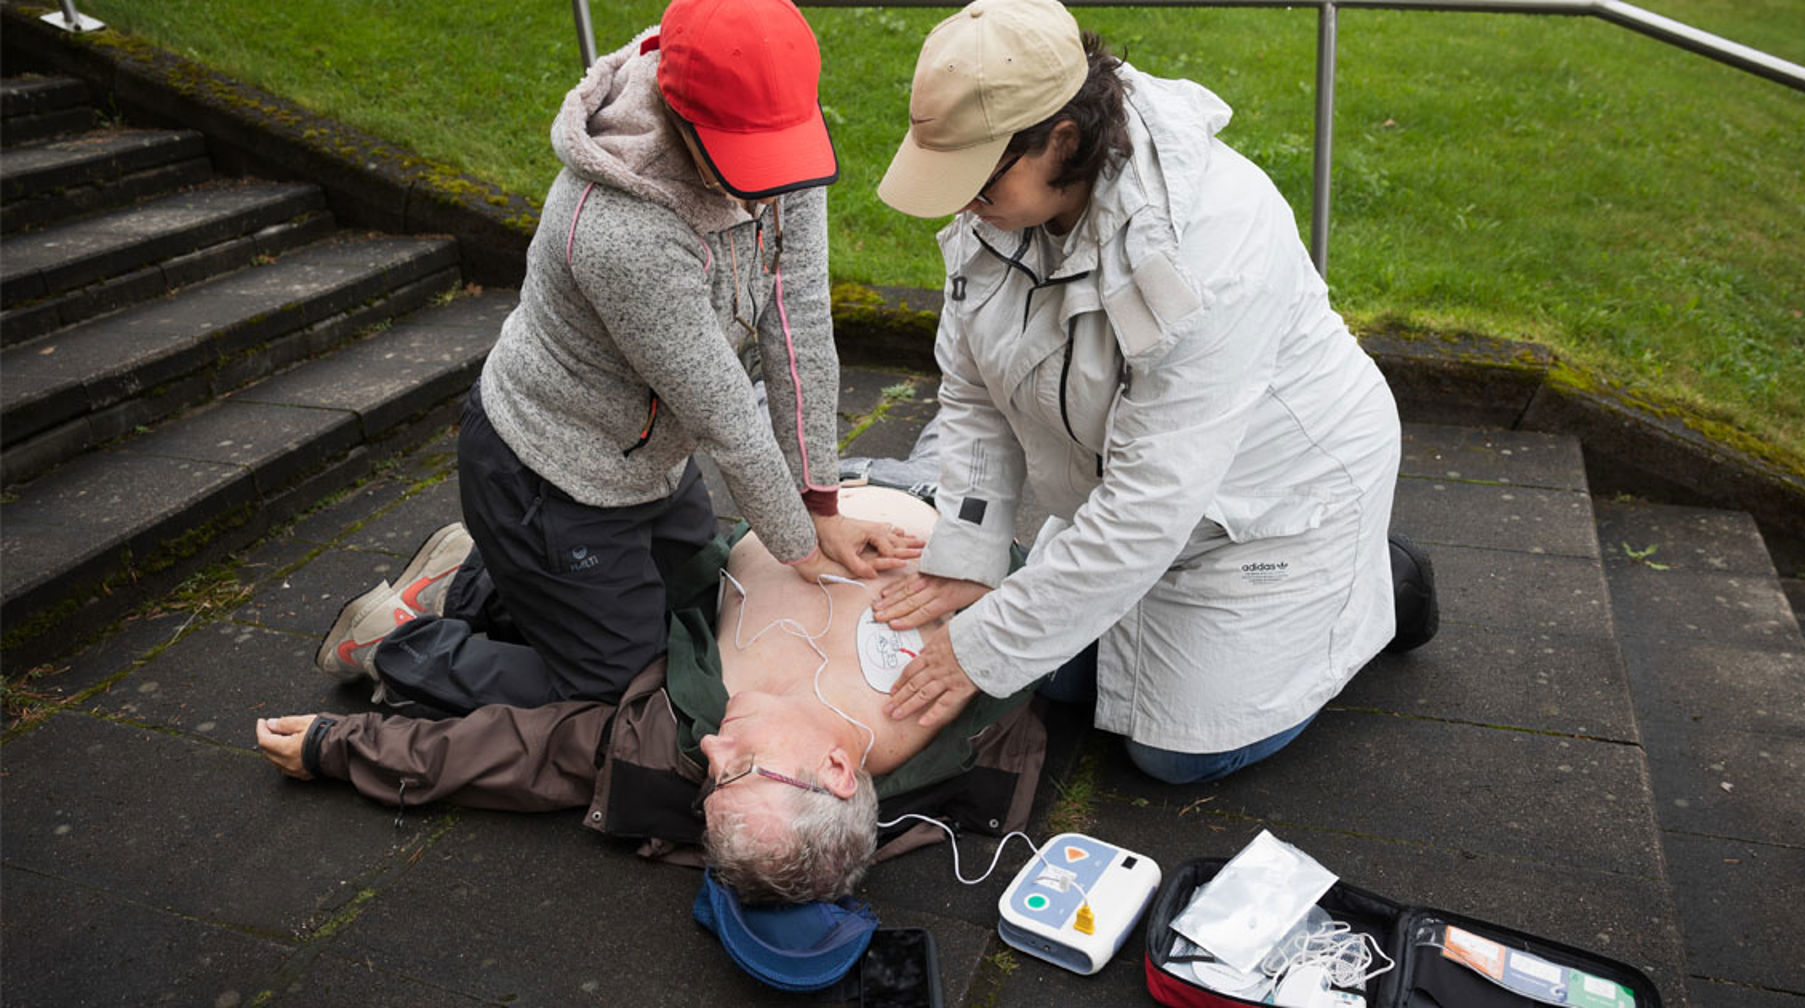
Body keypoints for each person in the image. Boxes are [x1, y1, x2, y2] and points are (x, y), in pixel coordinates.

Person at [869, 0, 1437, 785]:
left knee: (1171, 754)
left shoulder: (1210, 245)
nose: (962, 199)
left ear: (1061, 139)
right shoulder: (998, 210)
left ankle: (1375, 592)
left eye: (978, 175)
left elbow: (1152, 502)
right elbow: (972, 394)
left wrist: (984, 645)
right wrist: (969, 552)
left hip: (1271, 503)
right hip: (1138, 495)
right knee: (1055, 682)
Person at [313, 0, 919, 716]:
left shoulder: (776, 131)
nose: (764, 187)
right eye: (739, 160)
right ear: (680, 114)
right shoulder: (618, 230)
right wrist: (802, 543)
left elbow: (799, 319)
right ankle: (393, 645)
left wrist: (819, 498)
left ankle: (467, 580)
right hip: (549, 470)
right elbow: (725, 412)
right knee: (623, 693)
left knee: (701, 609)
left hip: (649, 461)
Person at [260, 487, 1043, 905]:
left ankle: (400, 636)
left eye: (712, 778)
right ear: (838, 773)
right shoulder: (966, 722)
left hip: (652, 604)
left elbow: (526, 754)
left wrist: (341, 747)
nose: (711, 751)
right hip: (915, 485)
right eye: (738, 770)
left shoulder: (674, 747)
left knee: (578, 673)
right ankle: (470, 578)